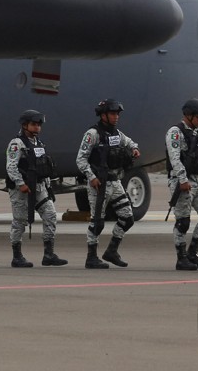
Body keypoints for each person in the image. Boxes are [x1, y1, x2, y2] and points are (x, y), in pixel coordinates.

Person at [76, 99, 140, 269]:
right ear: (103, 115)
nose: (116, 117)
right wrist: (92, 177)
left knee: (127, 218)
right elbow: (81, 159)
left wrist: (134, 149)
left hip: (115, 181)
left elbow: (130, 142)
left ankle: (112, 251)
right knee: (98, 222)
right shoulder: (92, 134)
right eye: (113, 113)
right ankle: (91, 257)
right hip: (99, 184)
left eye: (117, 114)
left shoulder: (116, 134)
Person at [5, 109, 66, 268]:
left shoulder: (39, 144)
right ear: (25, 125)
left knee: (51, 215)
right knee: (20, 221)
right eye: (34, 124)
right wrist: (21, 184)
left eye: (39, 125)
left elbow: (43, 168)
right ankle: (17, 256)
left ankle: (49, 254)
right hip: (21, 189)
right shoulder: (16, 144)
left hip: (39, 187)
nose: (37, 127)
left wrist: (48, 187)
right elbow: (11, 167)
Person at [165, 98, 198, 271]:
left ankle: (192, 253)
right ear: (188, 115)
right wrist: (182, 179)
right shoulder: (175, 132)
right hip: (182, 182)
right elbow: (174, 157)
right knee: (183, 221)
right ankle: (181, 258)